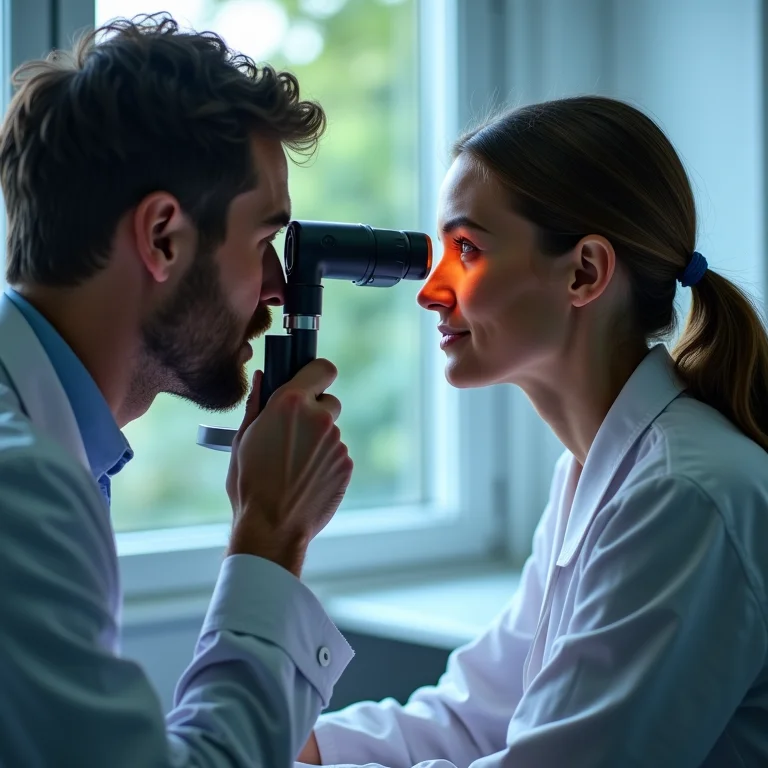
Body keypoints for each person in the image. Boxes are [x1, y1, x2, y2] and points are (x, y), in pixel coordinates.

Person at [297, 96, 768, 767]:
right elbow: (475, 714)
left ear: (585, 272)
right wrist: (283, 747)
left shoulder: (684, 494)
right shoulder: (593, 473)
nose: (432, 291)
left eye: (466, 248)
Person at [0, 13, 356, 767]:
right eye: (263, 242)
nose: (277, 288)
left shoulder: (47, 451)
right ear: (163, 235)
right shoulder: (19, 490)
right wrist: (271, 536)